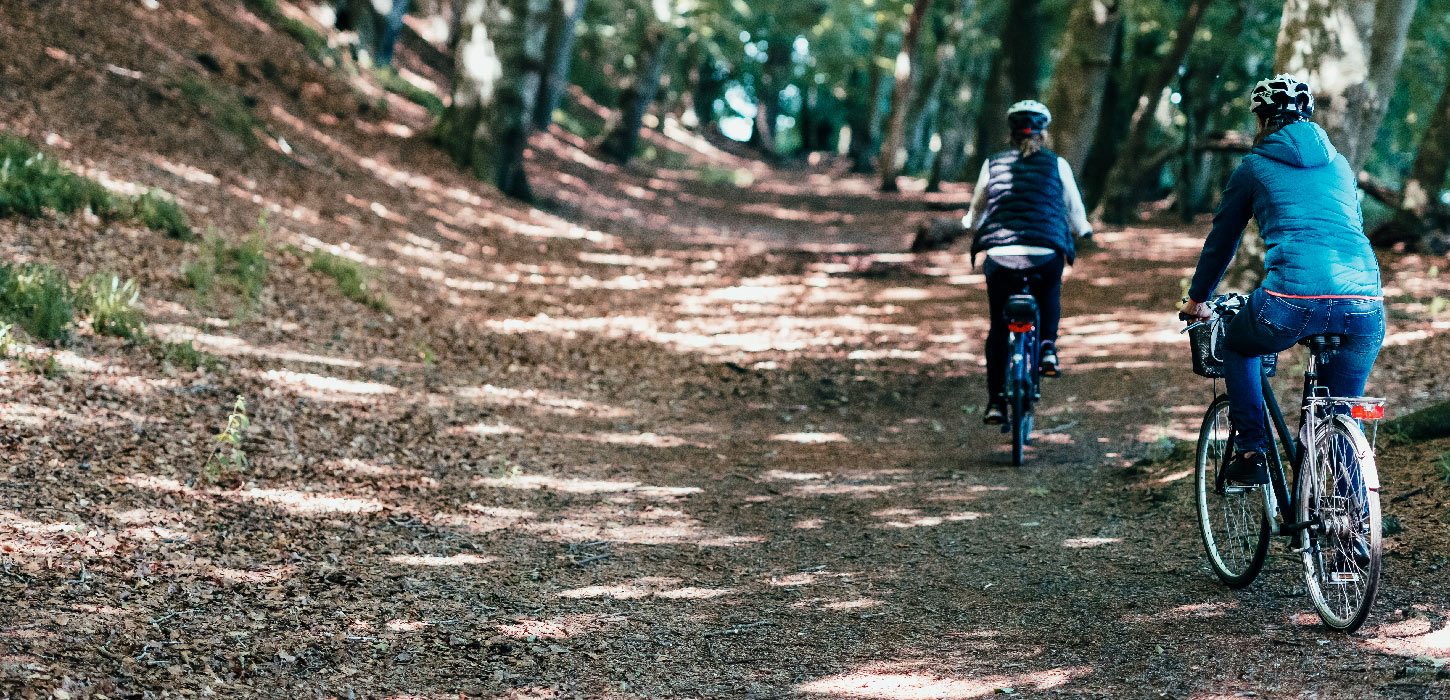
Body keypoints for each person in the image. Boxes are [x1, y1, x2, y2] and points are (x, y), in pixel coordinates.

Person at [1180, 74, 1385, 485]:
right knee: (1341, 410)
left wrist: (1197, 298)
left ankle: (1252, 451)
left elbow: (1223, 241)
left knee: (1238, 344)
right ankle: (1354, 528)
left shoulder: (1253, 166)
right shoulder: (1340, 162)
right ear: (1307, 116)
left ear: (1260, 119)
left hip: (1292, 299)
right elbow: (1352, 226)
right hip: (1365, 300)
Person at [963, 100, 1093, 425]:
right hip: (1045, 251)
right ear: (1043, 133)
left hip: (1000, 256)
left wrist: (970, 223)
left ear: (1011, 134)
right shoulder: (1057, 164)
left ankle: (994, 402)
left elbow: (979, 206)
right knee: (1049, 293)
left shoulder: (992, 163)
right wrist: (1084, 229)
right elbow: (1073, 207)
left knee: (998, 326)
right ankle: (1047, 348)